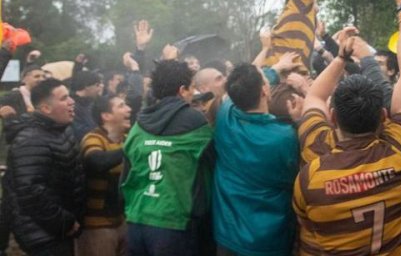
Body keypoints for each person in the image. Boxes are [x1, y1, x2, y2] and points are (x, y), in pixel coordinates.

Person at [294, 0, 401, 254]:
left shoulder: (313, 161)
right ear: (383, 115)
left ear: (332, 118)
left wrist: (340, 58)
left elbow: (315, 97)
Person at [120, 60, 214, 256]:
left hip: (137, 221)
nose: (193, 94)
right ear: (182, 90)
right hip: (174, 224)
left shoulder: (138, 125)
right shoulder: (195, 121)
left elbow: (126, 176)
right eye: (192, 89)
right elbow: (213, 165)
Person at [212, 63, 299, 256]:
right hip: (268, 239)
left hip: (228, 234)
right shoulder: (284, 137)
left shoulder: (224, 117)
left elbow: (239, 86)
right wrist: (301, 119)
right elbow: (296, 178)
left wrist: (274, 70)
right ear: (264, 90)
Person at [4, 78, 84, 256]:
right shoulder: (31, 139)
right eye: (63, 99)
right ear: (46, 108)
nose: (71, 102)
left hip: (60, 230)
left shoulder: (60, 130)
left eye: (69, 96)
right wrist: (65, 222)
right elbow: (31, 191)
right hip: (43, 236)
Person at [76, 95, 131, 256]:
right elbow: (96, 162)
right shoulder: (93, 138)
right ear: (106, 116)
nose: (129, 109)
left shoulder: (127, 140)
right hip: (97, 226)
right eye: (121, 106)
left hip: (122, 221)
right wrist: (130, 149)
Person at [71, 70, 104, 142]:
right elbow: (80, 132)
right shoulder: (72, 106)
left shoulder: (91, 103)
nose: (99, 88)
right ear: (87, 86)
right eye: (97, 85)